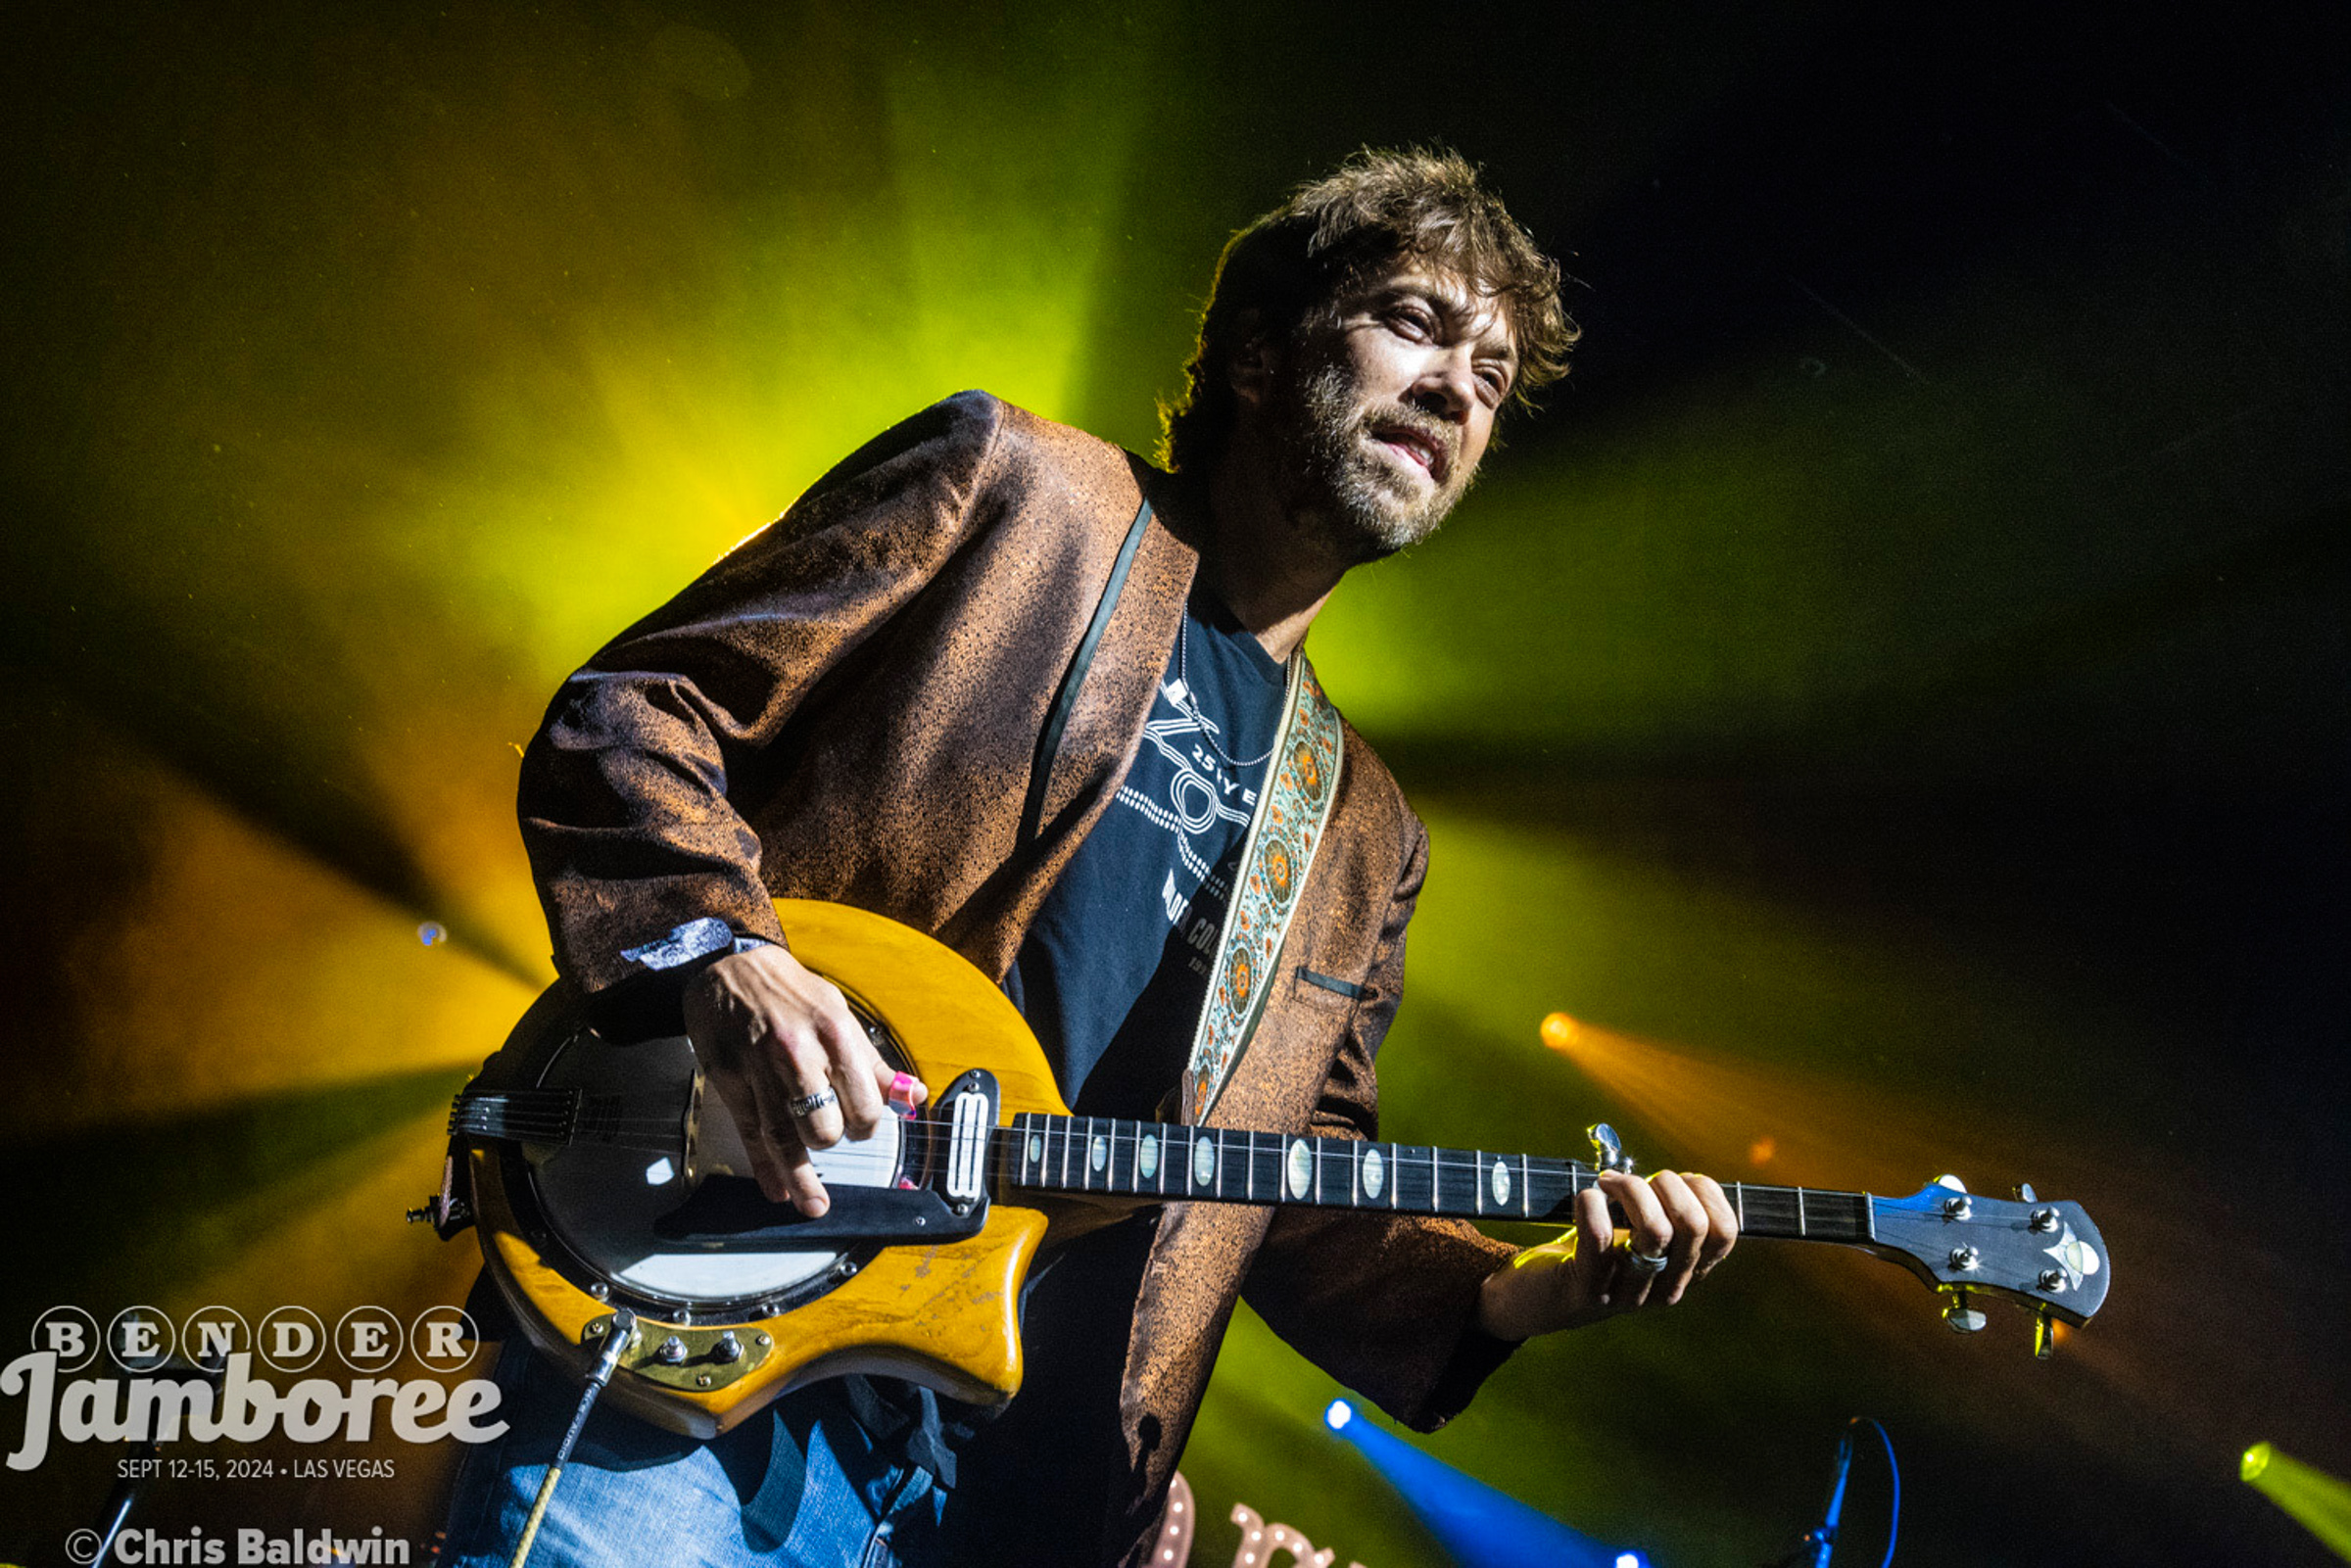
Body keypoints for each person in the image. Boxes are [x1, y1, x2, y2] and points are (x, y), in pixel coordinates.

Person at [442, 148, 1739, 1568]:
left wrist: (1516, 1295)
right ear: (1259, 352)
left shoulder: (1367, 834)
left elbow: (1285, 1188)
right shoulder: (1015, 488)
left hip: (991, 1505)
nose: (1457, 392)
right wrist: (725, 954)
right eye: (1416, 324)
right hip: (704, 1341)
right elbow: (636, 712)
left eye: (1492, 377)